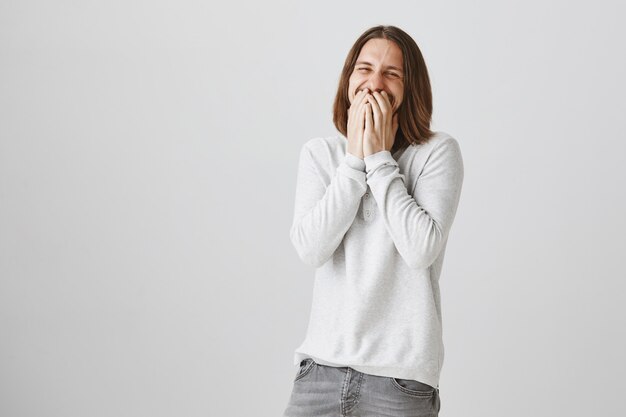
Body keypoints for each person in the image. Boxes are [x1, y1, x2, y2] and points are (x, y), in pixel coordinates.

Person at [283, 24, 464, 417]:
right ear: (349, 79)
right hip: (319, 372)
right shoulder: (320, 155)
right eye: (364, 69)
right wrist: (353, 160)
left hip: (400, 381)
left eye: (391, 73)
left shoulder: (437, 153)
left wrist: (380, 161)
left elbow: (420, 251)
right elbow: (311, 249)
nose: (374, 83)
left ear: (409, 87)